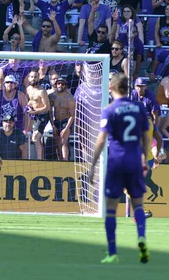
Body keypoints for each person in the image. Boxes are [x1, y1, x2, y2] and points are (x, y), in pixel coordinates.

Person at [88, 73, 150, 264]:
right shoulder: (139, 108)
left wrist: (93, 165)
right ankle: (141, 239)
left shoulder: (110, 110)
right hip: (134, 161)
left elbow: (101, 140)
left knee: (111, 209)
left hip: (116, 162)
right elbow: (147, 136)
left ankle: (113, 252)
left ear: (112, 88)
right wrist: (145, 159)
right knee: (138, 204)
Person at [25, 69, 51, 160]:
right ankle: (38, 158)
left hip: (42, 115)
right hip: (33, 115)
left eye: (35, 77)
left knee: (35, 137)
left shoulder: (42, 91)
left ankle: (40, 160)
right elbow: (30, 101)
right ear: (28, 78)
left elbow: (47, 107)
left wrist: (35, 111)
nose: (33, 79)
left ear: (38, 78)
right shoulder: (28, 89)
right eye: (32, 77)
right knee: (32, 137)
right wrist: (28, 107)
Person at [49, 76, 75, 160]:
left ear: (66, 85)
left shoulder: (70, 98)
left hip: (66, 121)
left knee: (64, 141)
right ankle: (60, 161)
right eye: (58, 83)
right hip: (56, 121)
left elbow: (72, 115)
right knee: (57, 143)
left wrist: (67, 128)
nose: (60, 85)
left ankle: (65, 161)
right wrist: (53, 126)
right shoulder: (52, 96)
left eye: (62, 84)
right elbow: (49, 112)